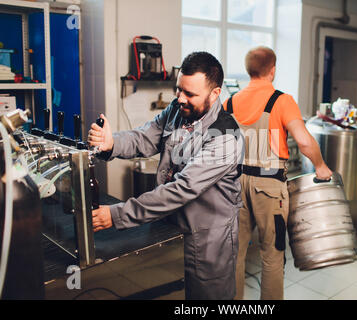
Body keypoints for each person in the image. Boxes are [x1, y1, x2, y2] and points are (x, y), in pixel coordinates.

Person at [88, 52, 244, 300]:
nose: (181, 98)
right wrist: (111, 143)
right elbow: (144, 137)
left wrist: (117, 214)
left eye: (190, 94)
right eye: (178, 90)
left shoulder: (225, 137)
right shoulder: (177, 110)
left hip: (206, 240)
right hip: (169, 228)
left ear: (215, 94)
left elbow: (181, 189)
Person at [223, 46, 332, 300]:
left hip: (233, 184)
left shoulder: (229, 102)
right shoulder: (282, 100)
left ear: (249, 70)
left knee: (234, 254)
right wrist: (320, 166)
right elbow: (304, 141)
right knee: (272, 254)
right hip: (269, 188)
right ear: (272, 71)